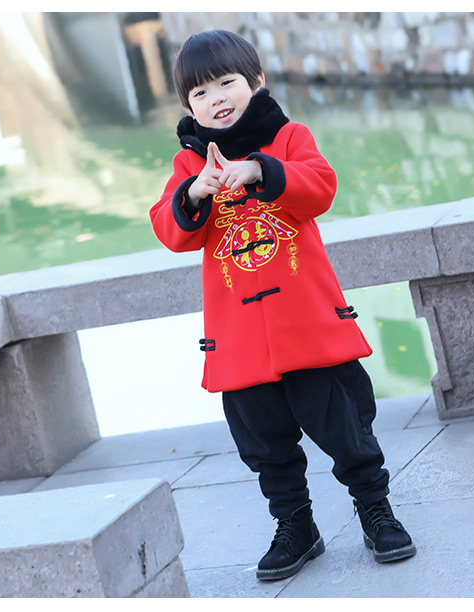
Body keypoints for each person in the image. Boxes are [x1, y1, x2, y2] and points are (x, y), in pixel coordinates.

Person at [150, 29, 416, 581]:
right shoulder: (189, 164)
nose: (216, 98)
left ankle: (375, 510)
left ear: (257, 82)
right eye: (200, 93)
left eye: (227, 83)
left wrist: (260, 171)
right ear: (188, 106)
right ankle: (296, 524)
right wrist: (195, 192)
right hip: (241, 337)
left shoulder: (289, 137)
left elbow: (320, 189)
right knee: (265, 442)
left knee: (346, 428)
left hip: (307, 326)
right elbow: (171, 232)